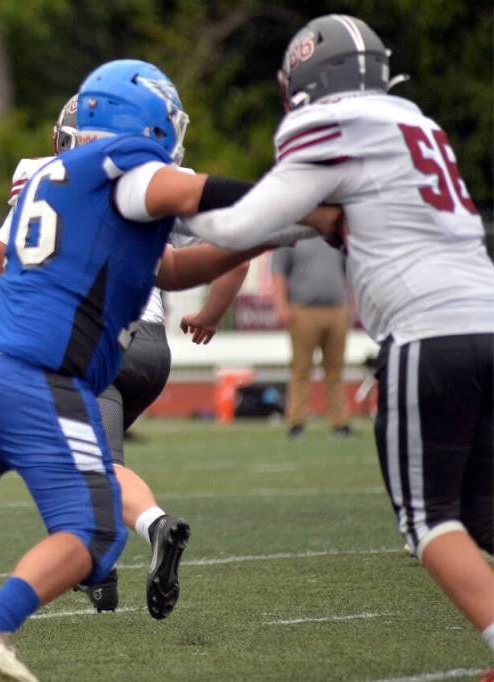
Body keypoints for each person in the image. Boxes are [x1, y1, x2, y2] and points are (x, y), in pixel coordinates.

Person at [0, 60, 339, 681]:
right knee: (98, 532)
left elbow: (168, 271)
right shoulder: (129, 172)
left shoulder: (51, 174)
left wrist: (273, 236)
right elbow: (200, 196)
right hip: (41, 374)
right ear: (145, 122)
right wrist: (301, 204)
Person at [179, 14, 494, 655]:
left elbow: (242, 227)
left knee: (428, 521)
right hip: (487, 317)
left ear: (306, 79)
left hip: (428, 333)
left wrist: (165, 198)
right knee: (484, 515)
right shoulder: (417, 123)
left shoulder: (329, 122)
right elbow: (334, 214)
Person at [0, 95, 250, 616]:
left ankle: (154, 526)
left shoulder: (46, 175)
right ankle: (99, 576)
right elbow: (241, 242)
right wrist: (210, 313)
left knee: (91, 465)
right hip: (152, 349)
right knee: (85, 460)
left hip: (89, 344)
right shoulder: (159, 179)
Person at [270, 238, 352, 439]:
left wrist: (351, 304)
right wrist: (280, 305)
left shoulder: (334, 233)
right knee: (301, 369)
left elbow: (348, 270)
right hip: (303, 310)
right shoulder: (291, 234)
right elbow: (278, 272)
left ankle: (340, 423)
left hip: (336, 309)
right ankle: (297, 423)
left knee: (336, 369)